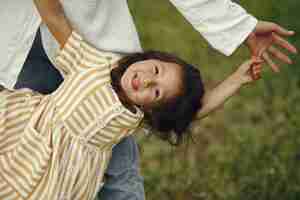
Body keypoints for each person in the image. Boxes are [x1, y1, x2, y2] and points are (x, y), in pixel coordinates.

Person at [0, 1, 297, 200]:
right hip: (28, 137)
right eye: (155, 70)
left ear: (151, 108)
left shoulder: (132, 114)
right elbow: (54, 16)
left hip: (63, 178)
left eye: (155, 91)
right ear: (149, 57)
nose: (146, 80)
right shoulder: (91, 63)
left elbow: (190, 111)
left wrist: (236, 80)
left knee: (121, 180)